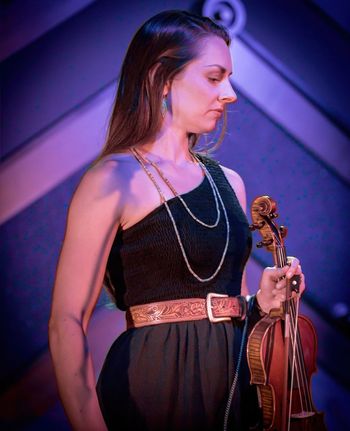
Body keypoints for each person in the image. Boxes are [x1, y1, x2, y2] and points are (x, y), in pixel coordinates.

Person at [48, 9, 305, 431]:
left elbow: (234, 308)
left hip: (233, 393)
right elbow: (65, 322)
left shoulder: (230, 183)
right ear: (162, 77)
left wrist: (265, 305)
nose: (230, 93)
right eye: (213, 76)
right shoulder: (113, 179)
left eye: (229, 77)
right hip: (154, 387)